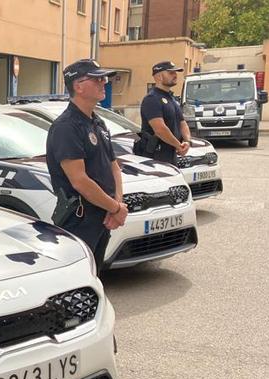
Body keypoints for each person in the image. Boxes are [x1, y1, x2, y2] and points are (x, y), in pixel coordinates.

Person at [46, 59, 128, 269]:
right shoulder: (67, 127)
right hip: (80, 219)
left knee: (95, 273)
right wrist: (115, 207)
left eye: (104, 78)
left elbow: (113, 166)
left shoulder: (97, 122)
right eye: (97, 79)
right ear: (78, 86)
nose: (104, 82)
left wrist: (117, 206)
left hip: (103, 214)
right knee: (77, 278)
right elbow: (79, 180)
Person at [137, 61, 191, 164]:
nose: (175, 75)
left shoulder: (172, 99)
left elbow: (182, 123)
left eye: (176, 72)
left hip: (171, 154)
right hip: (156, 156)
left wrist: (187, 141)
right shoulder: (152, 99)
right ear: (159, 76)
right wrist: (178, 146)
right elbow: (160, 129)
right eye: (171, 73)